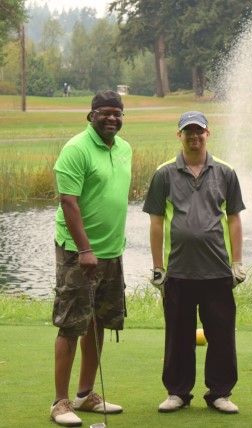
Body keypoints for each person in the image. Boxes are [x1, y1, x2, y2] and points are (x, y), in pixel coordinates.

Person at [143, 111, 246, 414]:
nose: (194, 136)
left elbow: (234, 219)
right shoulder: (164, 173)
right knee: (177, 335)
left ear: (207, 134)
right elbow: (157, 222)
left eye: (198, 131)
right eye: (188, 132)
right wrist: (158, 266)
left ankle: (219, 393)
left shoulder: (225, 172)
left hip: (217, 270)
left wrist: (237, 262)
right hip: (178, 271)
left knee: (222, 335)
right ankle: (177, 392)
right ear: (179, 136)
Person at [50, 90, 132, 427]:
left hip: (111, 251)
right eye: (105, 113)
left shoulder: (124, 148)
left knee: (98, 322)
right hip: (78, 252)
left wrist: (108, 247)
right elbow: (69, 202)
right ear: (91, 114)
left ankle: (85, 395)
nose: (112, 118)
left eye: (117, 113)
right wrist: (85, 249)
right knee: (72, 324)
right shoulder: (76, 149)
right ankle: (60, 402)